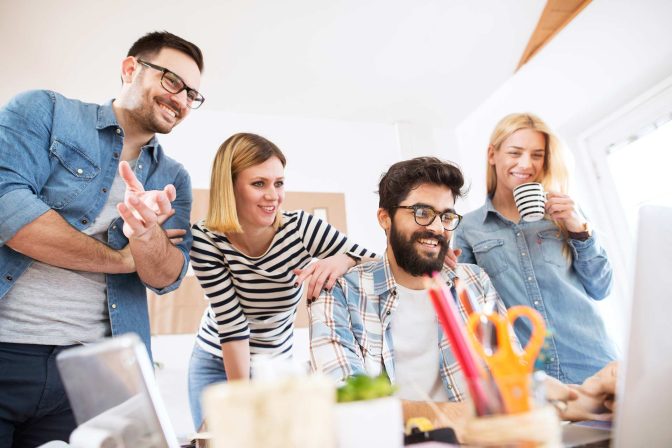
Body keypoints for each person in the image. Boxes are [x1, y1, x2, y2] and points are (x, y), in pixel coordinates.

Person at [0, 31, 204, 445]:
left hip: (96, 371)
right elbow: (8, 210)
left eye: (192, 95)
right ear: (130, 69)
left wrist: (145, 236)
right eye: (172, 81)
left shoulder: (174, 178)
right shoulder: (44, 110)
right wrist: (124, 259)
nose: (181, 100)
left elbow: (166, 277)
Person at [309, 157, 613, 433]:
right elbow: (347, 399)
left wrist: (583, 398)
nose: (437, 228)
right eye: (422, 213)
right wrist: (465, 415)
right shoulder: (338, 291)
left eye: (446, 216)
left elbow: (511, 375)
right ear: (385, 218)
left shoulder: (473, 281)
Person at [187, 132, 377, 429]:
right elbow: (232, 324)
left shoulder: (300, 229)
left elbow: (376, 264)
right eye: (258, 183)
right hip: (217, 362)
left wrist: (345, 259)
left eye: (278, 183)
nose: (273, 195)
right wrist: (241, 401)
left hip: (274, 368)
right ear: (230, 187)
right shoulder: (205, 239)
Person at [453, 113, 617, 384]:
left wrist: (579, 229)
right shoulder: (468, 228)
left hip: (594, 363)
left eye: (537, 155)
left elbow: (601, 288)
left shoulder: (566, 214)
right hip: (529, 378)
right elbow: (470, 312)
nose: (526, 164)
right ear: (492, 154)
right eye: (515, 152)